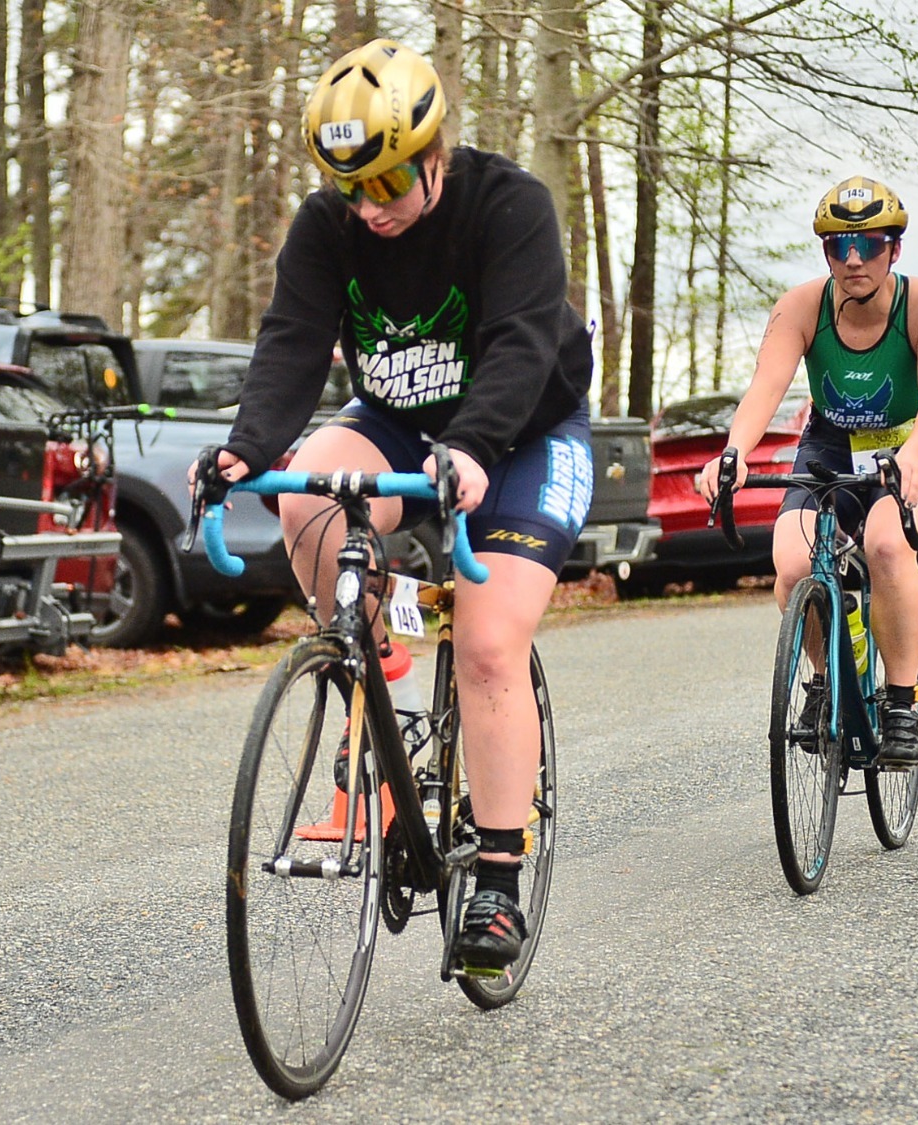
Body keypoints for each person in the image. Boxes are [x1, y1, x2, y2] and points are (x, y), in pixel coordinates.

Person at [204, 40, 594, 974]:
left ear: (434, 155)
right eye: (351, 188)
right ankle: (390, 690)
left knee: (490, 643)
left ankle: (496, 878)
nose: (369, 208)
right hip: (398, 419)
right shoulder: (327, 225)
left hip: (525, 431)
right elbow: (293, 341)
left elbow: (520, 343)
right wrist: (244, 448)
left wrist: (473, 447)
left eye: (386, 183)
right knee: (308, 503)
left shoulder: (509, 205)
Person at [694, 176, 918, 767]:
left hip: (913, 443)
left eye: (870, 244)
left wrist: (911, 458)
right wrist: (732, 453)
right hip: (832, 446)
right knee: (792, 565)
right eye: (840, 245)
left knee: (887, 542)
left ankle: (902, 700)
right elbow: (766, 389)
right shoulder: (800, 307)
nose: (854, 258)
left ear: (896, 248)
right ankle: (824, 678)